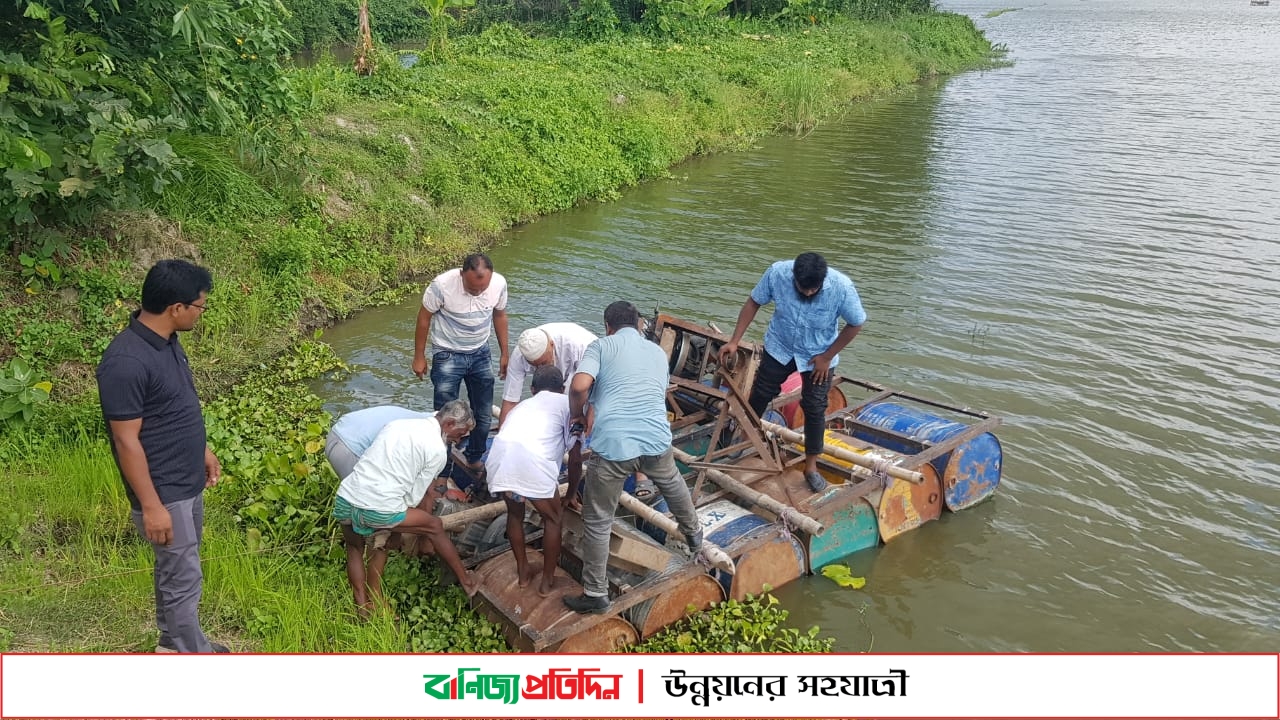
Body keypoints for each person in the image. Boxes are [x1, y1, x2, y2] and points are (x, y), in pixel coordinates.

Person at [96, 259, 227, 654]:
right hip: (163, 491)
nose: (201, 315)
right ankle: (191, 656)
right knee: (183, 576)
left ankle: (173, 644)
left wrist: (202, 450)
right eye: (200, 307)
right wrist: (152, 506)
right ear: (176, 308)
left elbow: (174, 408)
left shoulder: (166, 342)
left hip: (185, 479)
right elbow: (126, 441)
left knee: (177, 571)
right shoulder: (125, 362)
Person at [562, 301, 703, 615]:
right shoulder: (656, 352)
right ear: (640, 325)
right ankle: (695, 537)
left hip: (614, 447)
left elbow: (580, 385)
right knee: (673, 483)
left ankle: (596, 594)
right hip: (655, 439)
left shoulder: (601, 346)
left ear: (608, 326)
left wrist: (578, 414)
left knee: (598, 520)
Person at [717, 252, 867, 493]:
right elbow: (753, 302)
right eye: (802, 288)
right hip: (780, 346)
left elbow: (856, 323)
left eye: (813, 290)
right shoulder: (777, 273)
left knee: (815, 407)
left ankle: (811, 467)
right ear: (794, 277)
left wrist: (827, 357)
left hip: (817, 356)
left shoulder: (842, 287)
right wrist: (735, 341)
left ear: (822, 281)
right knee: (761, 393)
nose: (808, 293)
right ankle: (742, 439)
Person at [333, 399, 480, 615]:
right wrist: (397, 531)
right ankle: (467, 582)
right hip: (379, 506)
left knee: (354, 549)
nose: (462, 438)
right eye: (462, 432)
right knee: (435, 526)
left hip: (346, 498)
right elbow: (413, 497)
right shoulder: (437, 451)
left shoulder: (397, 425)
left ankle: (362, 606)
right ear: (448, 424)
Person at [486, 365, 583, 597]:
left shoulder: (522, 405)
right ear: (562, 389)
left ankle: (523, 573)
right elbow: (576, 459)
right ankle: (547, 582)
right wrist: (571, 493)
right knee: (553, 519)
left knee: (515, 514)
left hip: (499, 459)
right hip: (532, 463)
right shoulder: (568, 405)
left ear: (532, 389)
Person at [411, 254, 509, 472]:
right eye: (473, 289)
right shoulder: (442, 286)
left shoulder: (499, 284)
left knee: (483, 413)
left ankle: (474, 457)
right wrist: (419, 356)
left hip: (480, 353)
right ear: (462, 274)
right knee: (446, 418)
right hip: (447, 354)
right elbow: (424, 318)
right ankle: (442, 472)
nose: (478, 293)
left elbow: (500, 316)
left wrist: (504, 353)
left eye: (482, 289)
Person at [498, 322, 598, 426]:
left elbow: (599, 385)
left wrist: (589, 418)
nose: (540, 369)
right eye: (534, 366)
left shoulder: (580, 346)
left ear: (551, 344)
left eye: (543, 363)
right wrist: (502, 433)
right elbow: (510, 402)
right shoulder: (519, 356)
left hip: (592, 376)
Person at [325, 405, 433, 480]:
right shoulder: (427, 433)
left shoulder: (421, 416)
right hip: (349, 448)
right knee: (364, 501)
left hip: (336, 432)